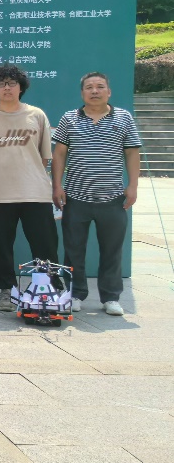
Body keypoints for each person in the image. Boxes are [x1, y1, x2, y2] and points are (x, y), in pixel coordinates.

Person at [51, 71, 142, 316]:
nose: (94, 91)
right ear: (82, 93)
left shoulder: (123, 117)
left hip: (112, 198)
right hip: (75, 198)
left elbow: (132, 152)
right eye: (89, 87)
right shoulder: (69, 118)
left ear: (108, 92)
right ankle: (75, 294)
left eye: (100, 86)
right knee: (73, 250)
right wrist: (57, 186)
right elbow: (59, 154)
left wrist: (133, 185)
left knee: (112, 250)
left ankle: (111, 297)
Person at [0, 64, 58, 312]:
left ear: (21, 87)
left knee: (44, 245)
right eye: (1, 84)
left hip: (35, 193)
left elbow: (44, 157)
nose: (7, 88)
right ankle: (6, 290)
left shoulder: (37, 115)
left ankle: (48, 288)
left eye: (12, 83)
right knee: (0, 246)